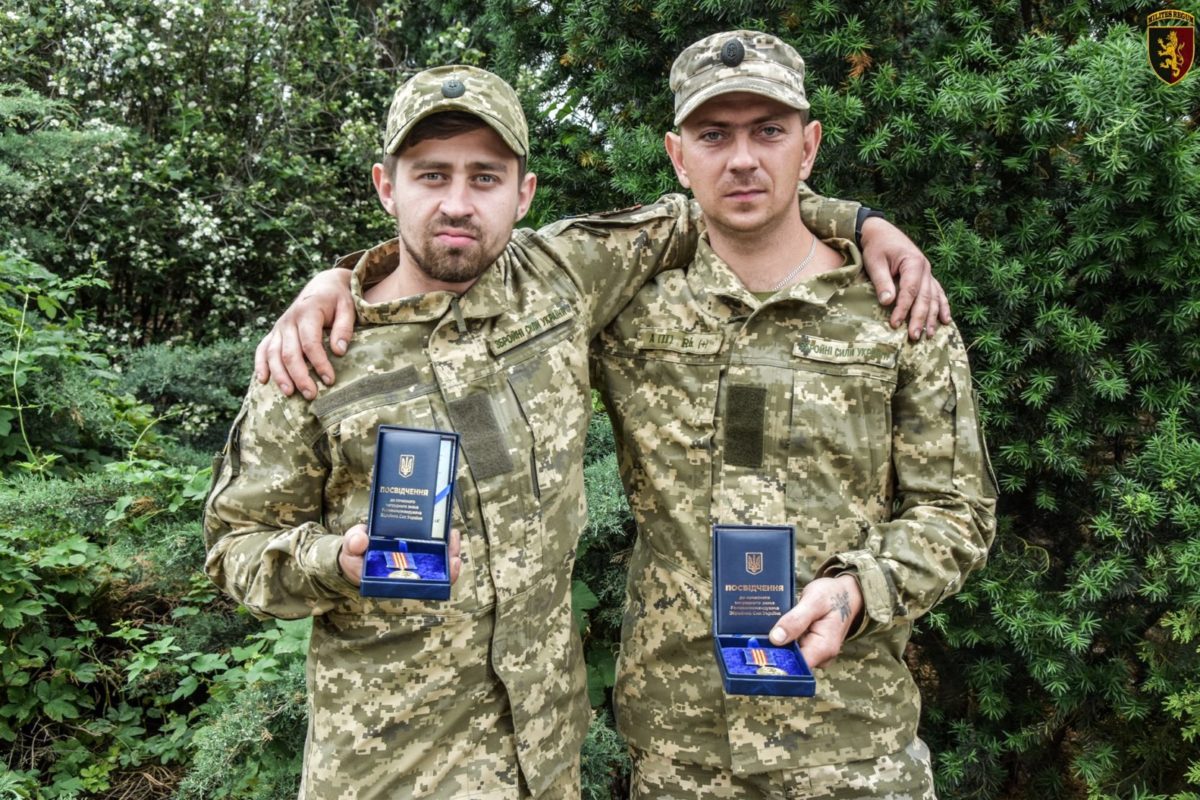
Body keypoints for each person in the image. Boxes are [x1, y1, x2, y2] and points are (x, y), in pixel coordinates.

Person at [205, 64, 935, 799]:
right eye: (431, 176)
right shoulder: (313, 354)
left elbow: (724, 202)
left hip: (547, 762)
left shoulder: (562, 280)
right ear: (385, 187)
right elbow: (234, 547)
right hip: (388, 771)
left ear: (523, 193)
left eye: (485, 178)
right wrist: (333, 562)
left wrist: (864, 225)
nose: (457, 203)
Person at [590, 32, 998, 798]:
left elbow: (958, 513)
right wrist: (352, 283)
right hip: (683, 751)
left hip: (854, 746)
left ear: (807, 147)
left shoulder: (897, 309)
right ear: (678, 157)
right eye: (715, 135)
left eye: (768, 131)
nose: (743, 159)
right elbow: (488, 292)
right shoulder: (630, 311)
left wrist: (859, 589)